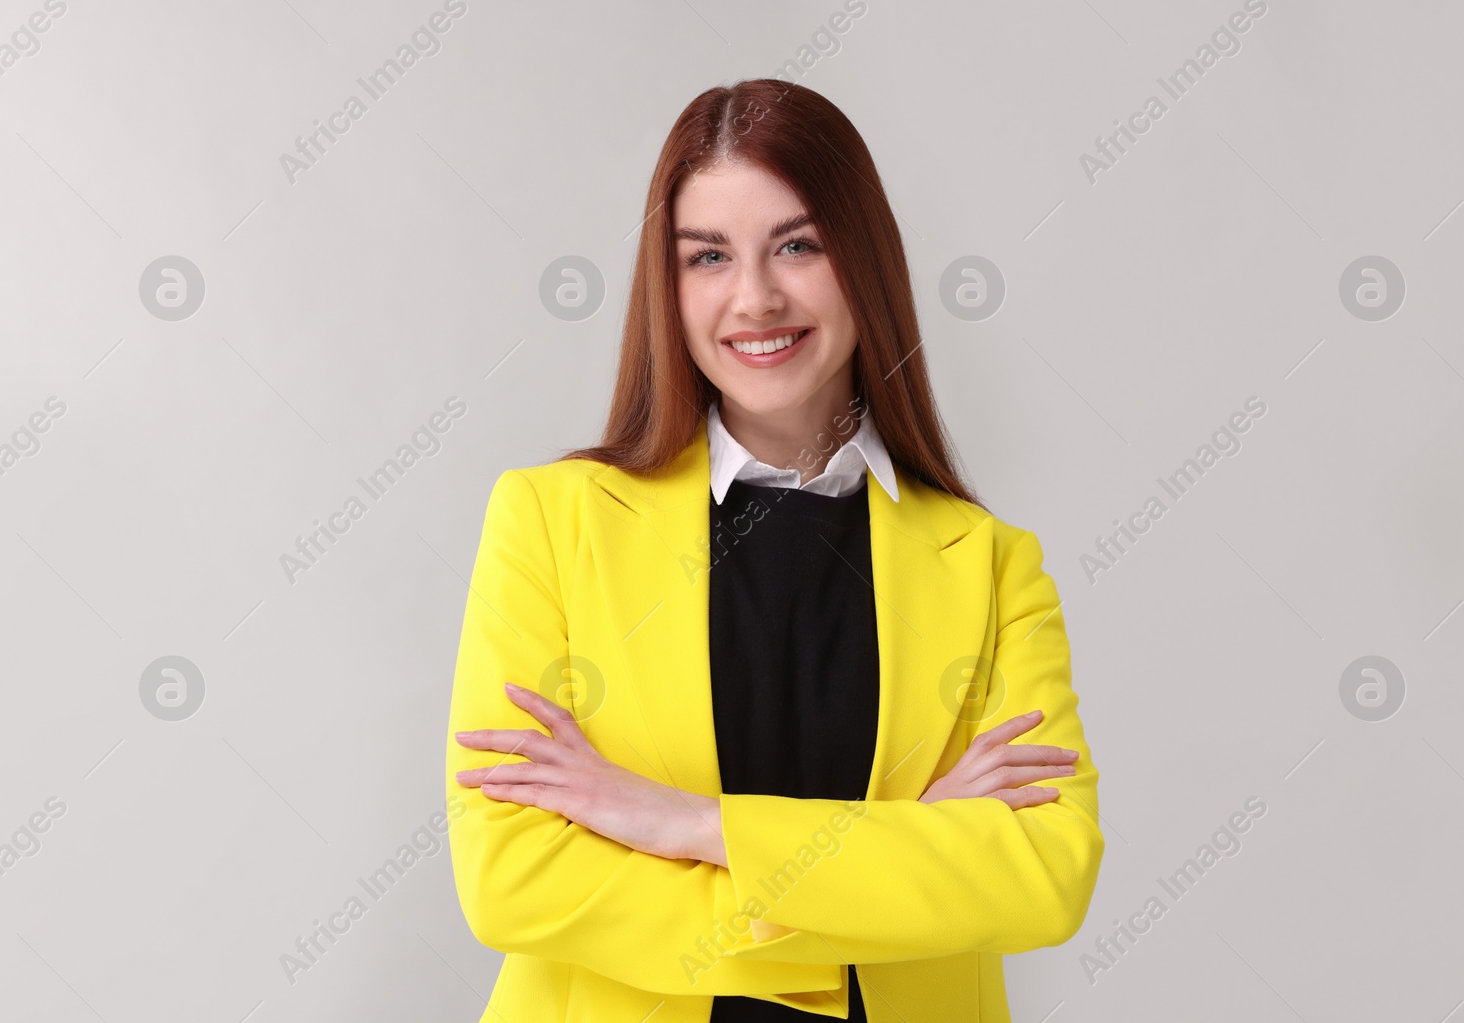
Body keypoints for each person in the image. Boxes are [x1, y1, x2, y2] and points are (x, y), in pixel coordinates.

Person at [446, 78, 1103, 1022]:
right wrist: (905, 850)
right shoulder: (551, 523)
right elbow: (512, 879)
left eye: (797, 245)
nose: (754, 297)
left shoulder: (993, 566)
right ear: (667, 287)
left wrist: (691, 824)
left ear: (863, 260)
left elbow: (1044, 875)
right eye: (708, 256)